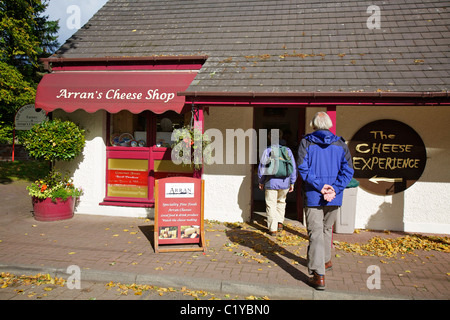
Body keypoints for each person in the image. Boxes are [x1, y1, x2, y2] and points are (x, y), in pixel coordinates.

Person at [297, 112, 354, 290]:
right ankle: (326, 261)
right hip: (333, 197)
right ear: (328, 124)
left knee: (315, 233)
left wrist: (320, 186)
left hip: (314, 195)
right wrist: (334, 189)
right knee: (326, 229)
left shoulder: (306, 143)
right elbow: (348, 171)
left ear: (313, 124)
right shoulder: (340, 144)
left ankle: (318, 274)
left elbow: (303, 168)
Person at [258, 131, 297, 236]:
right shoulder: (287, 150)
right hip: (285, 182)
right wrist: (292, 182)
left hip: (271, 182)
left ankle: (273, 229)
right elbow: (293, 168)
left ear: (270, 138)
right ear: (281, 137)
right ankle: (280, 223)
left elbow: (262, 168)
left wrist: (261, 181)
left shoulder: (268, 150)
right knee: (281, 202)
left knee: (271, 205)